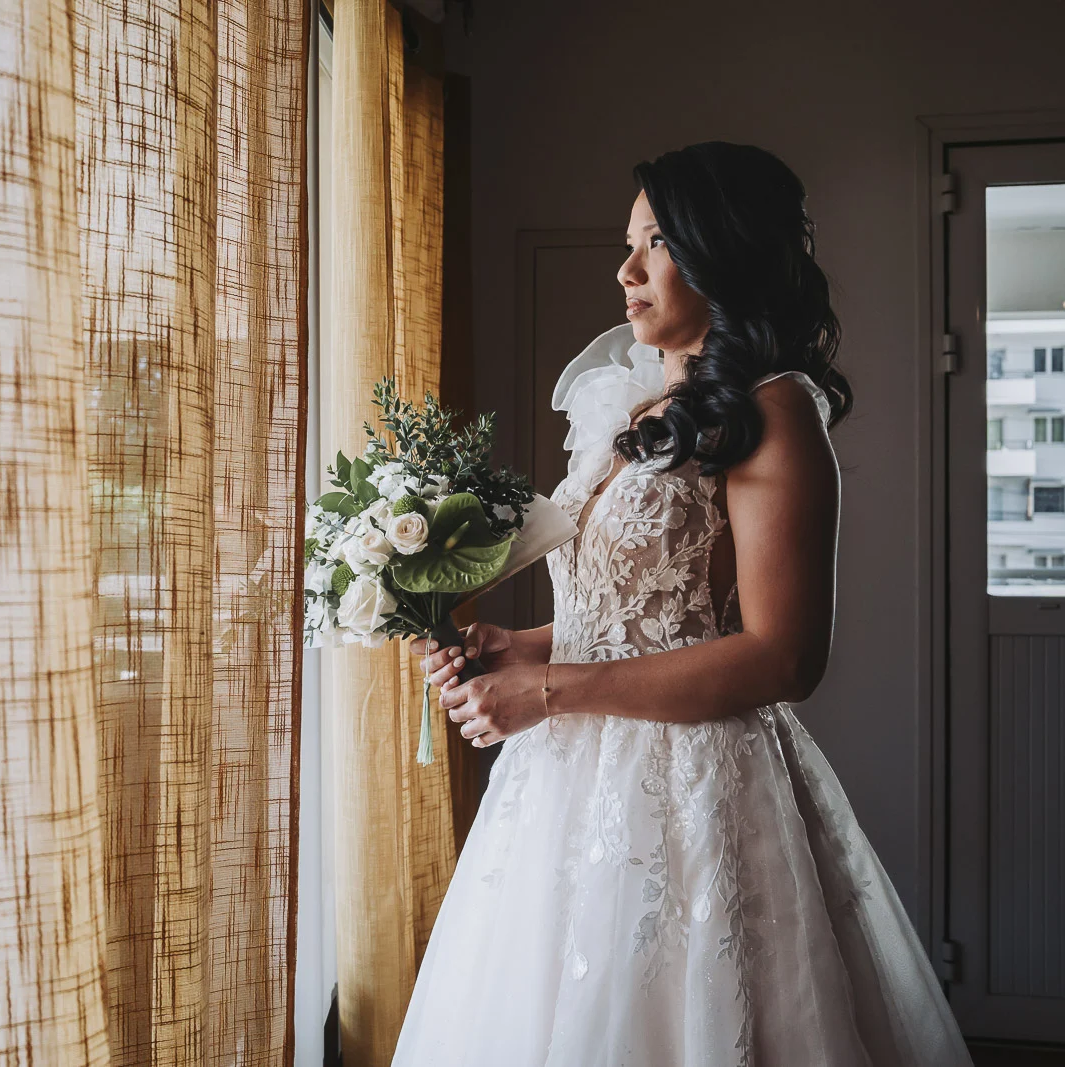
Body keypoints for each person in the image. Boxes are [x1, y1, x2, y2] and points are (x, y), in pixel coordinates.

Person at [392, 142, 972, 1065]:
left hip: (693, 786)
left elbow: (784, 656)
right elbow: (644, 602)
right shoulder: (636, 407)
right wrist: (529, 645)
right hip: (565, 790)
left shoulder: (776, 410)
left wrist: (550, 691)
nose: (625, 270)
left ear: (723, 251)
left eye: (657, 243)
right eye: (630, 243)